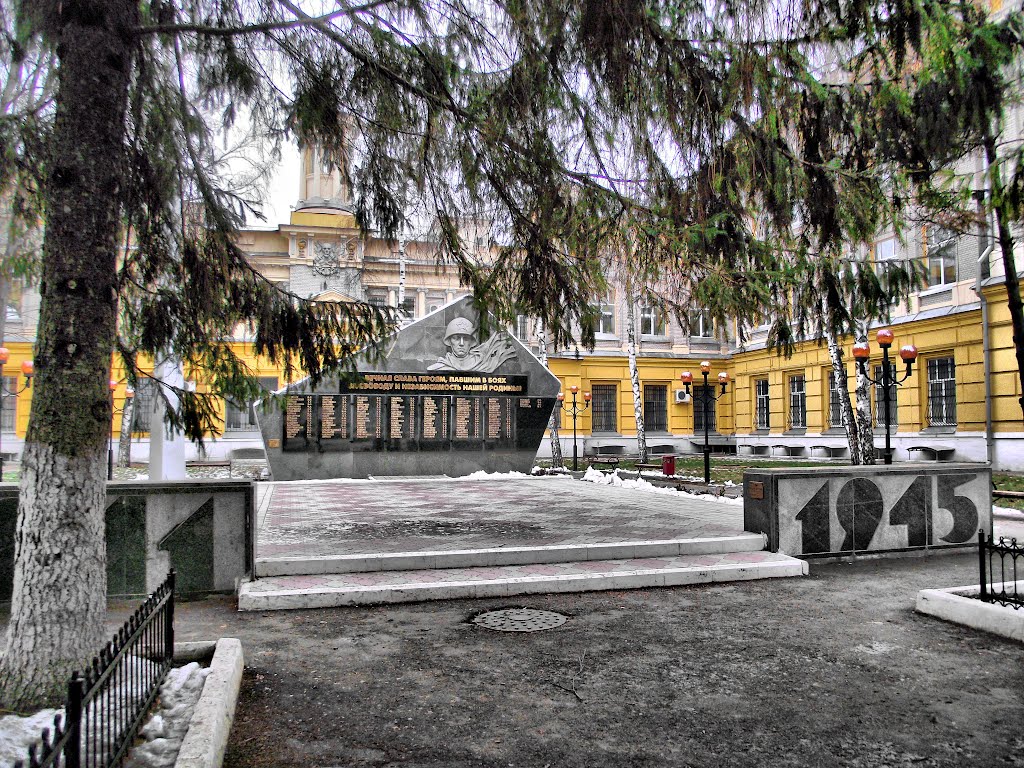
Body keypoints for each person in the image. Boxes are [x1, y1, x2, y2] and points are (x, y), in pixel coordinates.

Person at [427, 317, 516, 372]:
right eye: (457, 338)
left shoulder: (482, 363)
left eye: (466, 339)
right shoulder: (439, 367)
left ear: (471, 342)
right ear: (449, 341)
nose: (461, 344)